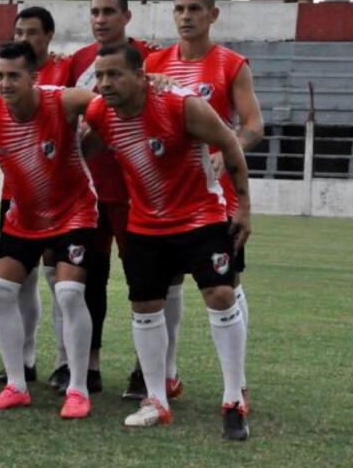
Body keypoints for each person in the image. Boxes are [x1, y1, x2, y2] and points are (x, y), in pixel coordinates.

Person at [83, 44, 251, 440]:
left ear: (141, 76)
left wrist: (244, 207)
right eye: (100, 75)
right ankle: (156, 399)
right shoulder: (98, 113)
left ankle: (233, 398)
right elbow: (74, 123)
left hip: (200, 217)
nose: (105, 83)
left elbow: (229, 144)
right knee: (144, 304)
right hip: (145, 224)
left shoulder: (181, 105)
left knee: (222, 296)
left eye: (115, 74)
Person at [0, 41, 99, 419]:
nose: (4, 83)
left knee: (69, 293)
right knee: (0, 288)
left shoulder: (61, 101)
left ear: (34, 77)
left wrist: (93, 135)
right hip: (25, 215)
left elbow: (100, 104)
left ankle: (78, 389)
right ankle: (16, 386)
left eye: (13, 76)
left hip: (74, 211)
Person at [144, 0, 264, 407]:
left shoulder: (231, 64)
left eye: (195, 8)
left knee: (225, 283)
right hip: (168, 195)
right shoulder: (154, 64)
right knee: (167, 283)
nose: (186, 16)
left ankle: (238, 382)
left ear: (213, 14)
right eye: (179, 8)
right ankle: (169, 375)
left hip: (217, 197)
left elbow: (253, 126)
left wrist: (226, 150)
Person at [67, 0, 159, 398]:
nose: (100, 19)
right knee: (90, 279)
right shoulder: (77, 63)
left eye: (108, 12)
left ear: (126, 16)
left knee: (144, 279)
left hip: (135, 189)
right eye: (94, 12)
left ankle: (148, 369)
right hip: (88, 189)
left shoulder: (149, 57)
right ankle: (88, 365)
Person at [0, 6, 73, 387]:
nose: (25, 37)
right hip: (16, 196)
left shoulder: (67, 69)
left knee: (63, 282)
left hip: (63, 200)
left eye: (33, 32)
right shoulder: (0, 77)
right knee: (18, 281)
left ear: (50, 36)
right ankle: (23, 362)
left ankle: (64, 362)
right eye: (19, 30)